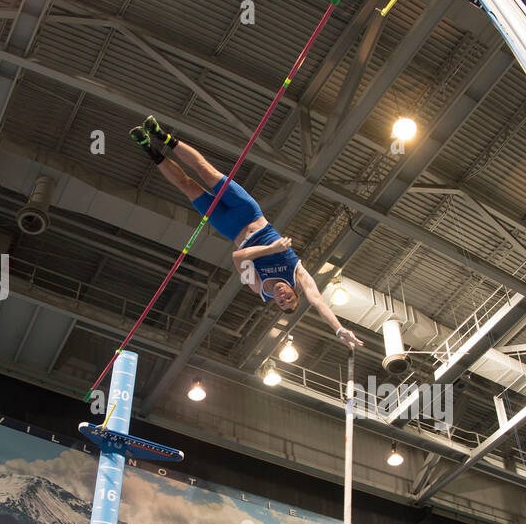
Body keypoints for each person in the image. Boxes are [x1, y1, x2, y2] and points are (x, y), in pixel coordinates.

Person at [130, 116, 362, 349]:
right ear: (294, 292)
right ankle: (161, 135)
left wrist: (272, 249)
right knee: (206, 172)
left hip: (228, 226)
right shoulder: (298, 274)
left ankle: (147, 147)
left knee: (188, 186)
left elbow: (237, 257)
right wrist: (339, 329)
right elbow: (318, 301)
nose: (283, 296)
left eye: (281, 302)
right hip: (249, 213)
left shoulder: (259, 287)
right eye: (289, 297)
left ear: (276, 302)